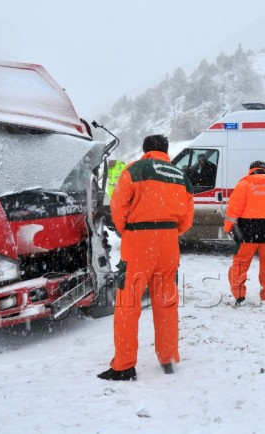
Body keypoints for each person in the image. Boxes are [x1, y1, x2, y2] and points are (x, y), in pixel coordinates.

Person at [98, 134, 194, 381]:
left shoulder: (135, 169)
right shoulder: (180, 175)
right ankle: (168, 358)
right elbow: (187, 218)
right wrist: (168, 230)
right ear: (166, 150)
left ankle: (124, 365)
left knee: (128, 303)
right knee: (167, 302)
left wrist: (127, 231)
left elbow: (118, 206)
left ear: (145, 150)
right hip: (169, 242)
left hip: (139, 241)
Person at [224, 160, 265, 306]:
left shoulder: (244, 185)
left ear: (251, 170)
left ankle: (239, 295)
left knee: (241, 263)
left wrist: (229, 228)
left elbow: (233, 210)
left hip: (247, 231)